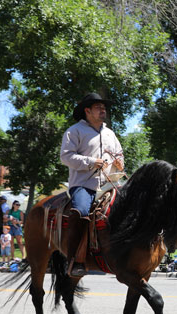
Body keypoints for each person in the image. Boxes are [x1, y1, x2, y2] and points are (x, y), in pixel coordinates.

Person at [61, 92, 124, 277]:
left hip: (110, 183)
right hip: (84, 184)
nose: (103, 109)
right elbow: (66, 156)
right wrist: (91, 161)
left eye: (103, 107)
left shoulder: (110, 133)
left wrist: (120, 162)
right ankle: (75, 260)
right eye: (98, 107)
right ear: (87, 111)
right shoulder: (74, 131)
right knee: (80, 211)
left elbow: (119, 154)